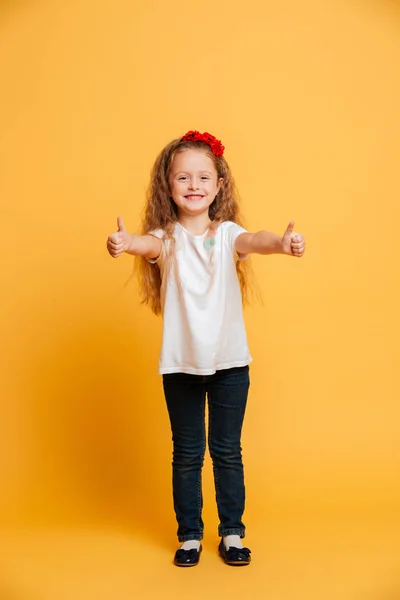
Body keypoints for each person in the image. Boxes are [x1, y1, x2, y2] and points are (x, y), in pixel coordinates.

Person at [106, 130, 306, 567]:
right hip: (181, 367)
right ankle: (190, 535)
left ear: (218, 186)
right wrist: (125, 244)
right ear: (169, 186)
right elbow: (146, 244)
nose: (193, 185)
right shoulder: (168, 238)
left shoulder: (227, 233)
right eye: (183, 178)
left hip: (231, 365)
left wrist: (282, 244)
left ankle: (232, 533)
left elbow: (256, 240)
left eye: (202, 177)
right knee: (187, 453)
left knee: (227, 452)